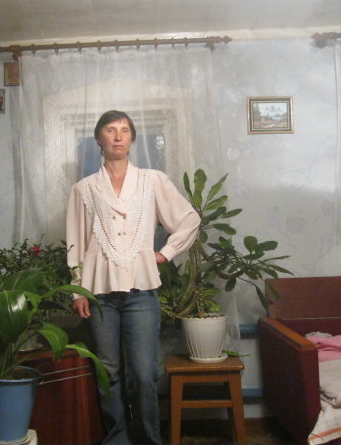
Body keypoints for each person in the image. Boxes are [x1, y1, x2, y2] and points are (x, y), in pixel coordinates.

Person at [66, 110, 201, 444]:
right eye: (111, 130)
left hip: (142, 293)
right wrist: (78, 291)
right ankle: (118, 438)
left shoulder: (152, 181)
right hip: (99, 295)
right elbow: (75, 244)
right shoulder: (84, 189)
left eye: (125, 130)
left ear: (132, 139)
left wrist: (164, 253)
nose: (118, 136)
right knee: (108, 371)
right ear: (99, 138)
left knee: (143, 373)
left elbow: (189, 220)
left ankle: (148, 440)